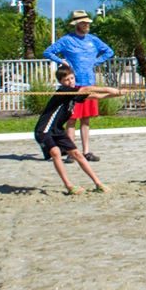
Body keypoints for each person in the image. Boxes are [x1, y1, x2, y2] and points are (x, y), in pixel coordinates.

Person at [34, 65, 122, 194]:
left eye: (72, 78)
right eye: (66, 80)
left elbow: (95, 96)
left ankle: (98, 184)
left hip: (58, 130)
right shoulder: (63, 91)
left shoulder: (74, 95)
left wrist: (118, 93)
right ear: (61, 82)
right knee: (56, 153)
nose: (70, 82)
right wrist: (109, 89)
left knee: (77, 155)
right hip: (44, 130)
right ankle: (69, 186)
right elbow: (87, 88)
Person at [43, 9, 114, 162]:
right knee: (71, 119)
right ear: (76, 24)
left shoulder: (93, 40)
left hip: (89, 83)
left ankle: (86, 151)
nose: (86, 25)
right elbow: (48, 52)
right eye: (83, 23)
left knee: (86, 119)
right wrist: (61, 61)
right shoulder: (67, 40)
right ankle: (71, 151)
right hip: (73, 86)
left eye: (87, 23)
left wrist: (95, 62)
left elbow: (109, 51)